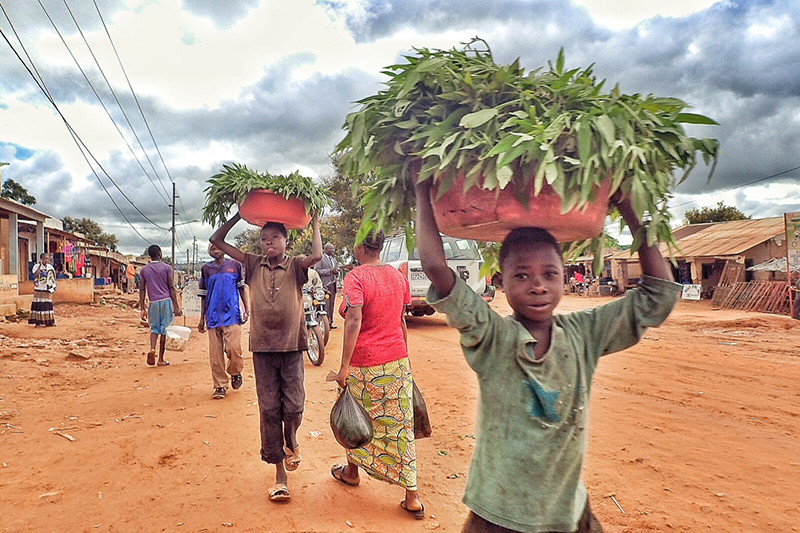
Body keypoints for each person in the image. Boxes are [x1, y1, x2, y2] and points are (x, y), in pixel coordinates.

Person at [414, 179, 680, 533]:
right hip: (499, 514)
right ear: (502, 282)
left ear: (564, 278)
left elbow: (658, 297)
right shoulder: (493, 337)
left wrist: (629, 208)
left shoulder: (585, 334)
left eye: (549, 274)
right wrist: (422, 191)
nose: (537, 285)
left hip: (566, 511)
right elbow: (435, 266)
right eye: (521, 275)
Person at [210, 212, 322, 504]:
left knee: (294, 407)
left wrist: (317, 221)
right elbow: (216, 240)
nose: (268, 242)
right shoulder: (251, 263)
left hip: (292, 347)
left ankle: (292, 440)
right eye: (264, 238)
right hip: (262, 348)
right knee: (270, 410)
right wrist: (239, 214)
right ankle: (280, 477)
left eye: (274, 237)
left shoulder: (296, 265)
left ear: (286, 241)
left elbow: (317, 255)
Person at [326, 230, 425, 519]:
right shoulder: (398, 277)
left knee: (355, 417)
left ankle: (352, 471)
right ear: (380, 247)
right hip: (396, 363)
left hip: (364, 365)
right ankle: (412, 496)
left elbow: (353, 319)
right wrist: (404, 358)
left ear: (359, 246)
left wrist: (343, 368)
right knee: (399, 426)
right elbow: (400, 321)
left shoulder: (355, 277)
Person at [198, 243, 250, 400]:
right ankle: (220, 385)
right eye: (212, 248)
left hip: (232, 315)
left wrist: (246, 309)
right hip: (212, 316)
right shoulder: (206, 269)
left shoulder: (234, 265)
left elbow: (241, 288)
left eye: (218, 247)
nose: (216, 250)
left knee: (234, 350)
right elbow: (203, 295)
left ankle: (235, 372)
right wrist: (202, 318)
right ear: (209, 252)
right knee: (215, 355)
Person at [139, 245, 182, 367]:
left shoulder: (144, 270)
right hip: (166, 301)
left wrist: (142, 307)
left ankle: (152, 349)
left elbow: (141, 289)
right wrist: (176, 306)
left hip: (153, 303)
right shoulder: (167, 268)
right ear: (160, 253)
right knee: (164, 330)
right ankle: (161, 359)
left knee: (154, 328)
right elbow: (171, 287)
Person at [314, 242, 339, 328]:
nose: (332, 251)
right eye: (331, 249)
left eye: (333, 249)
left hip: (333, 284)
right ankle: (325, 323)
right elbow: (317, 270)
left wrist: (336, 273)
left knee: (331, 305)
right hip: (325, 286)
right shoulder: (321, 259)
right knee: (325, 305)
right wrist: (329, 271)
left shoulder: (334, 260)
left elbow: (335, 271)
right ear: (326, 249)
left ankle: (330, 322)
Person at [29, 252, 57, 327]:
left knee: (48, 305)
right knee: (38, 305)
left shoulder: (50, 267)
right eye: (45, 259)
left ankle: (49, 321)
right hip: (39, 288)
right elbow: (34, 275)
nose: (47, 260)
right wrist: (40, 266)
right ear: (41, 259)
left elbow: (53, 277)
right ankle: (38, 322)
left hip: (47, 288)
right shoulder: (36, 266)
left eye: (48, 259)